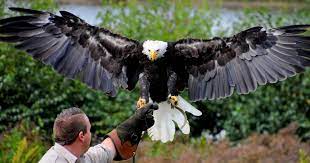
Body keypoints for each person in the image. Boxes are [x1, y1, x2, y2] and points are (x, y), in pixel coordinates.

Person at [39, 103, 158, 163]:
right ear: (81, 136)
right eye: (89, 130)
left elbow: (105, 150)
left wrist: (134, 124)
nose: (90, 133)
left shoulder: (78, 157)